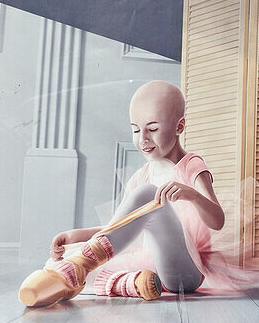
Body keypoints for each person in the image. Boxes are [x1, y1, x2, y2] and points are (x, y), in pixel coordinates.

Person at [45, 81, 226, 301]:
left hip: (186, 271)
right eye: (136, 130)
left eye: (153, 129)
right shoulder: (142, 175)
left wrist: (192, 195)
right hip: (152, 266)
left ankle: (93, 268)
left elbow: (217, 221)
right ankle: (131, 283)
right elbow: (117, 229)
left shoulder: (191, 165)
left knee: (149, 193)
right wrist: (75, 235)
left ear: (179, 127)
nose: (143, 139)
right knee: (55, 265)